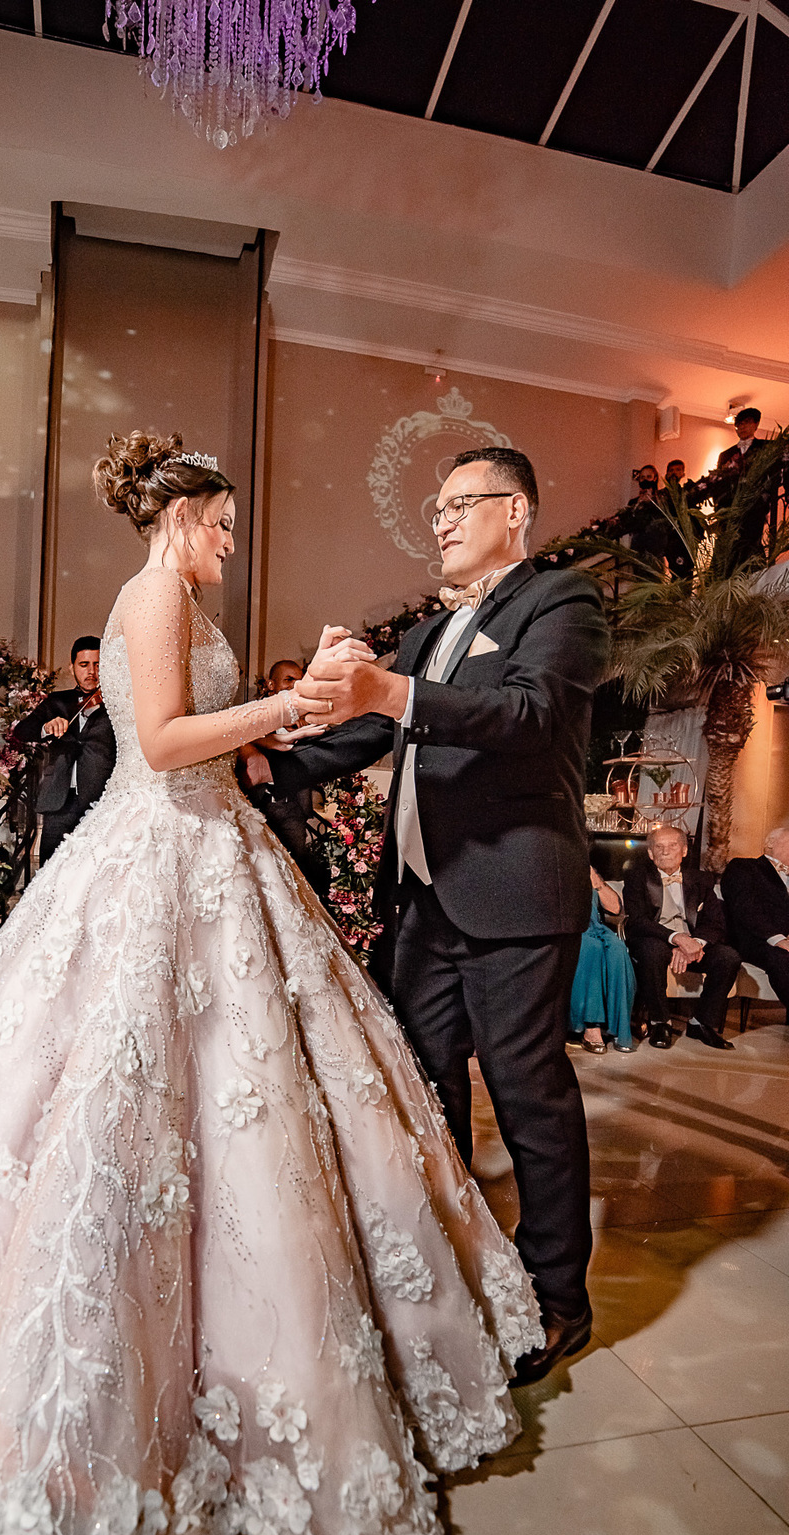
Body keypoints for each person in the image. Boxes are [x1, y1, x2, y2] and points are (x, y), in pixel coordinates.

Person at [0, 429, 542, 1535]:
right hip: (156, 853)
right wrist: (290, 704)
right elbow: (159, 742)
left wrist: (295, 711)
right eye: (220, 523)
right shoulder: (152, 595)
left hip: (217, 848)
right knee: (129, 1103)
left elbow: (217, 741)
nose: (228, 543)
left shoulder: (185, 604)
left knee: (254, 1101)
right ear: (179, 516)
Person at [273, 444, 610, 1386]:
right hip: (423, 898)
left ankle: (558, 1296)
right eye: (437, 509)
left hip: (513, 897)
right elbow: (365, 733)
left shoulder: (563, 602)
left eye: (462, 503)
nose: (443, 521)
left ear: (517, 511)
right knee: (425, 1092)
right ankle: (458, 1264)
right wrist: (259, 763)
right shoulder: (428, 631)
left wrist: (389, 689)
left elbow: (529, 717)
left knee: (529, 1097)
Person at [623, 824, 740, 1050]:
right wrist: (676, 938)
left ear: (684, 851)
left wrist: (695, 943)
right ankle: (660, 1022)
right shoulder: (636, 877)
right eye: (659, 847)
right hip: (655, 939)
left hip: (692, 942)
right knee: (652, 952)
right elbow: (638, 921)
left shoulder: (702, 880)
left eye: (672, 845)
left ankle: (701, 1023)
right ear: (650, 853)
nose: (665, 851)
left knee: (728, 957)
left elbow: (716, 924)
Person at [12, 636, 116, 863]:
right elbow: (21, 731)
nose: (91, 672)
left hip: (101, 800)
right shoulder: (57, 701)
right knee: (50, 868)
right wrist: (46, 727)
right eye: (84, 665)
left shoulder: (117, 704)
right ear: (72, 668)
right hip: (59, 800)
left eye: (98, 665)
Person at [236, 658, 329, 896]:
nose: (294, 685)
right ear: (271, 684)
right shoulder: (253, 713)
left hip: (293, 808)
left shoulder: (307, 715)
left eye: (298, 680)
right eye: (288, 679)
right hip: (259, 804)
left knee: (294, 870)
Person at [569, 860, 637, 1052]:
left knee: (617, 948)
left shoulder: (587, 868)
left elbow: (615, 909)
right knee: (592, 948)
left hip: (595, 927)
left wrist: (596, 882)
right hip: (571, 929)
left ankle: (619, 1030)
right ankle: (591, 1028)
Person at [720, 825, 789, 1010]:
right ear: (770, 843)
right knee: (782, 957)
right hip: (757, 941)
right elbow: (745, 908)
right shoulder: (744, 867)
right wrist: (778, 939)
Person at [716, 407, 762, 474]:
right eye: (739, 424)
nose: (742, 427)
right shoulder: (725, 455)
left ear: (756, 424)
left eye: (746, 422)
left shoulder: (766, 446)